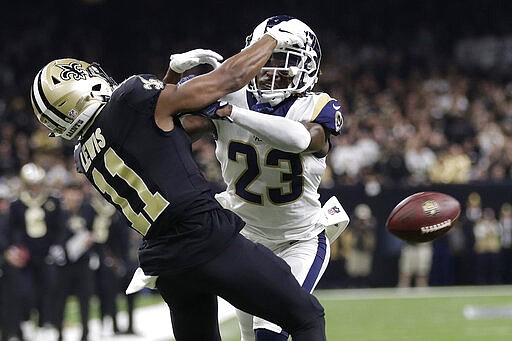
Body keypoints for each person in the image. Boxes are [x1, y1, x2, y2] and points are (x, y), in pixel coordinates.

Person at [30, 19, 327, 341]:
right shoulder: (130, 98)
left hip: (165, 262)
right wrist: (273, 37)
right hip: (206, 239)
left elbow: (156, 131)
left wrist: (171, 77)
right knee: (306, 317)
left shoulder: (83, 156)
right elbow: (230, 78)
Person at [176, 15, 349, 340]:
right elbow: (174, 131)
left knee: (270, 332)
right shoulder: (233, 96)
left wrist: (230, 112)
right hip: (245, 239)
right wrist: (185, 87)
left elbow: (300, 138)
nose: (272, 71)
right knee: (250, 337)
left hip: (298, 241)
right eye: (266, 61)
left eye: (284, 63)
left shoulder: (316, 106)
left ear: (307, 68)